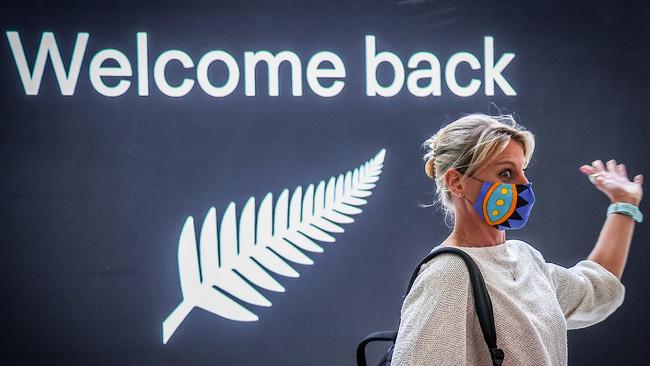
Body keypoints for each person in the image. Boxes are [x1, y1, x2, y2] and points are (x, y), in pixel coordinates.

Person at [390, 113, 643, 366]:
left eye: (523, 171)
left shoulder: (526, 259)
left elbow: (596, 288)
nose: (525, 184)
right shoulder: (448, 273)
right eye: (507, 174)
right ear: (457, 183)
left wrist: (624, 204)